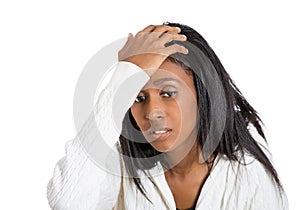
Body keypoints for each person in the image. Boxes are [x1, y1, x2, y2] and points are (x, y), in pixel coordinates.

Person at [47, 22, 288, 210]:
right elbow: (68, 202)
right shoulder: (119, 162)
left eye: (167, 92)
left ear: (203, 92)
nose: (152, 113)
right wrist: (125, 76)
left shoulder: (248, 170)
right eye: (138, 98)